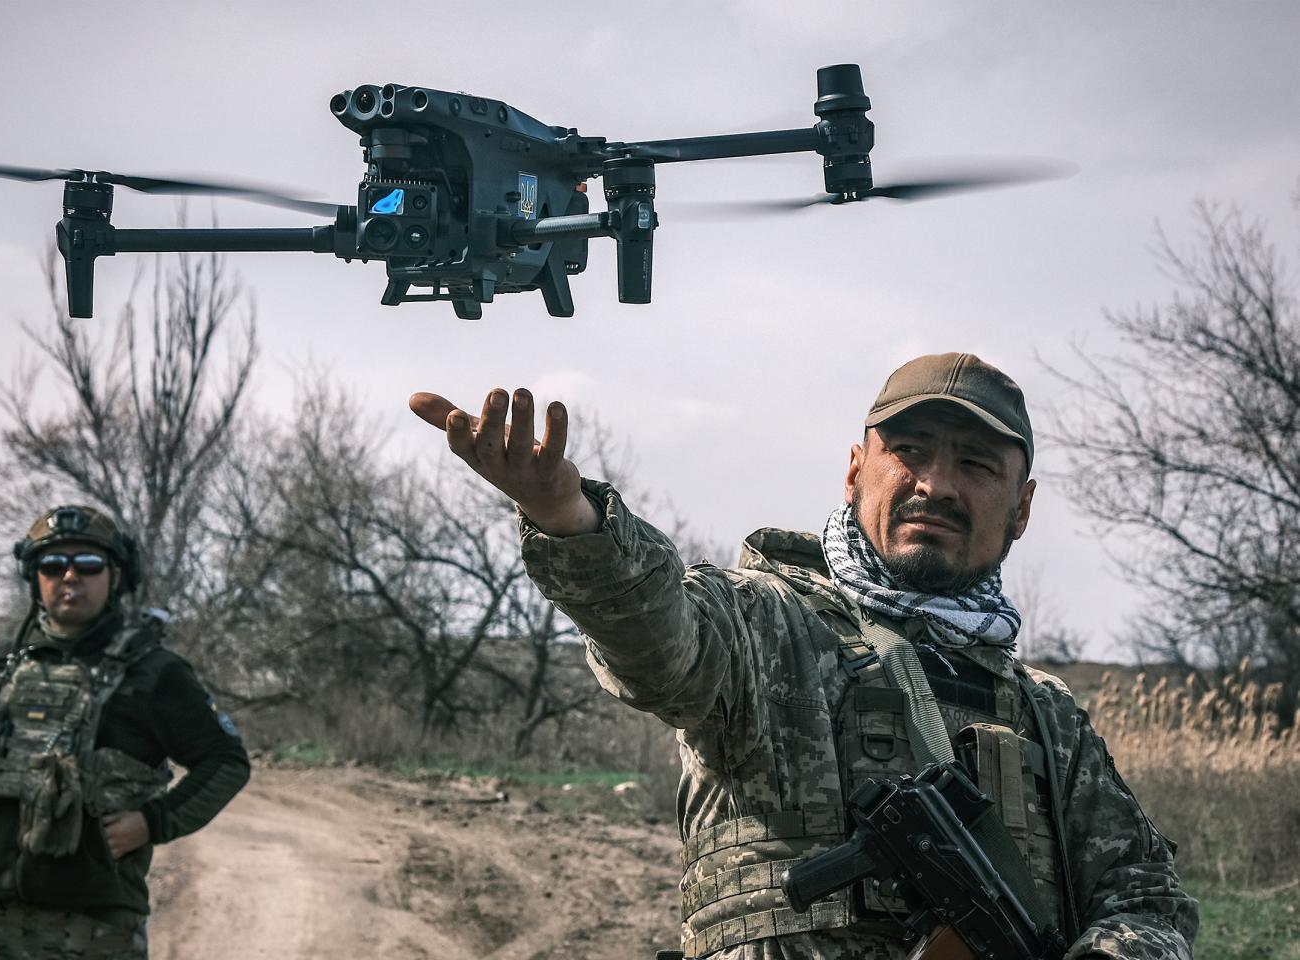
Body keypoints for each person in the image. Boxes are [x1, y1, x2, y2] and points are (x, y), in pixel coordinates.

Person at [410, 353, 1198, 959]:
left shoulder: (1046, 716)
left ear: (1022, 507)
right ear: (857, 471)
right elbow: (660, 641)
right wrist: (566, 517)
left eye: (976, 465)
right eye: (910, 451)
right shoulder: (770, 625)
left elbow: (1148, 901)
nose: (935, 483)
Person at [0, 504, 250, 959]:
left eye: (88, 564)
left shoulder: (153, 672)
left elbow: (225, 761)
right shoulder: (2, 667)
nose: (70, 576)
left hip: (100, 927)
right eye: (52, 564)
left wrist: (152, 822)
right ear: (35, 578)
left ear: (115, 577)